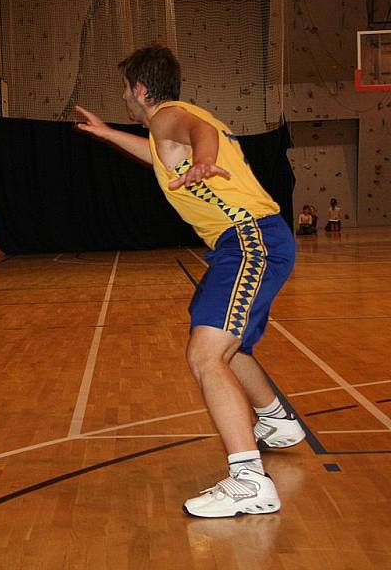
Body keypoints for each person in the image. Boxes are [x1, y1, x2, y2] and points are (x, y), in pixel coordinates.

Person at [75, 46, 304, 518]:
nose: (124, 96)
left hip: (248, 239)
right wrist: (108, 134)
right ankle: (277, 423)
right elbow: (162, 155)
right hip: (248, 242)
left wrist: (203, 158)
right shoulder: (166, 130)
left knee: (204, 354)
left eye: (125, 88)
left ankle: (249, 480)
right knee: (227, 346)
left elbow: (196, 135)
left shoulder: (171, 118)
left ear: (140, 89)